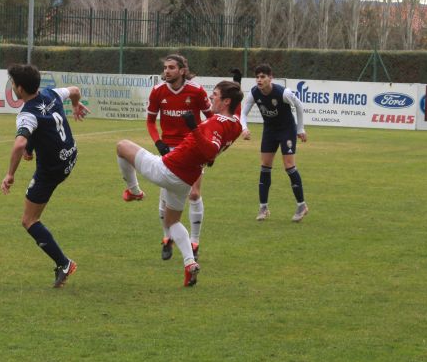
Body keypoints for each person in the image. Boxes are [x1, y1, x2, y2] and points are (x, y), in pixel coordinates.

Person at [118, 80, 243, 287]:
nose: (211, 97)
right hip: (185, 178)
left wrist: (194, 128)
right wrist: (236, 82)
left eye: (216, 95)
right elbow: (215, 150)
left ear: (226, 101)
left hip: (168, 169)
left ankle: (134, 192)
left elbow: (211, 150)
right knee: (172, 221)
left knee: (122, 146)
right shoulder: (236, 124)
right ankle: (189, 263)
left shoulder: (216, 122)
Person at [0, 63, 90, 288]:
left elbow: (19, 143)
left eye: (13, 83)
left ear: (20, 89)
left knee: (28, 220)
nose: (12, 86)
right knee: (37, 137)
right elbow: (75, 90)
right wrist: (76, 105)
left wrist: (10, 174)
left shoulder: (27, 114)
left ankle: (65, 263)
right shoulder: (51, 93)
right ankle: (64, 263)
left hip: (52, 169)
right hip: (71, 155)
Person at [144, 54, 213, 262]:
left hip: (192, 148)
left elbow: (211, 120)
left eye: (171, 67)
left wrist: (207, 146)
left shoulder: (197, 91)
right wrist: (159, 143)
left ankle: (194, 241)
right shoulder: (158, 91)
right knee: (165, 195)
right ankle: (167, 238)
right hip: (170, 149)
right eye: (165, 67)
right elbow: (150, 122)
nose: (167, 71)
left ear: (182, 70)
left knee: (193, 194)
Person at [239, 63, 309, 222]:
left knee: (289, 166)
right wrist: (244, 128)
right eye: (257, 77)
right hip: (270, 131)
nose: (259, 80)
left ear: (271, 78)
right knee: (265, 166)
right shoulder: (254, 93)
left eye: (263, 77)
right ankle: (263, 208)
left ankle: (302, 206)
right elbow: (243, 113)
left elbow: (299, 105)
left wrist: (300, 129)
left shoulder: (283, 93)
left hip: (286, 130)